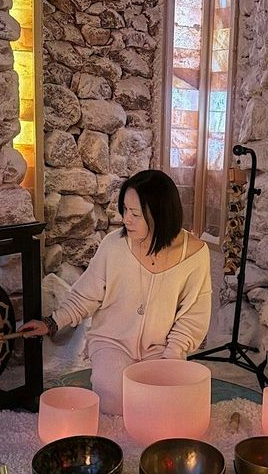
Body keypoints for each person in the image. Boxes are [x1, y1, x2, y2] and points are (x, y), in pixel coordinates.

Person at [19, 169, 212, 416]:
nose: (126, 219)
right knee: (114, 401)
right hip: (112, 342)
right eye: (125, 209)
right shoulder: (114, 245)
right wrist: (51, 323)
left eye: (135, 214)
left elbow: (193, 315)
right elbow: (86, 295)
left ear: (161, 214)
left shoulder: (195, 254)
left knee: (159, 407)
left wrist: (171, 358)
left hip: (161, 348)